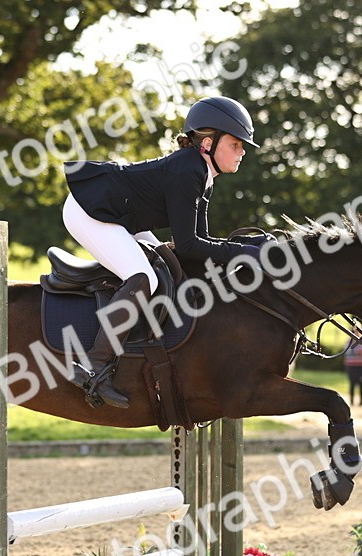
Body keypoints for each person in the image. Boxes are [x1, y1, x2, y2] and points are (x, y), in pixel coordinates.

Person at [61, 96, 267, 409]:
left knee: (167, 264)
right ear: (208, 144)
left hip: (122, 215)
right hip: (90, 210)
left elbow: (199, 242)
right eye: (236, 144)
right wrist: (244, 253)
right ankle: (93, 367)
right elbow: (189, 245)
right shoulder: (188, 171)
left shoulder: (203, 176)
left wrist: (247, 249)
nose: (242, 152)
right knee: (144, 277)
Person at [343, 328, 362, 407]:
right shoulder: (349, 341)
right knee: (352, 382)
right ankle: (352, 400)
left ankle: (361, 401)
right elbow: (346, 351)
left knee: (361, 383)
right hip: (351, 364)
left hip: (361, 365)